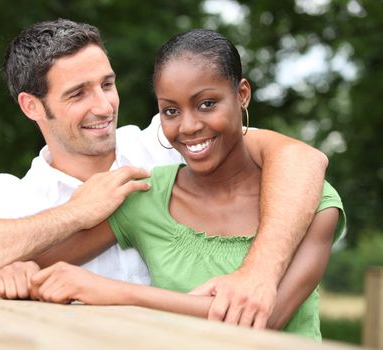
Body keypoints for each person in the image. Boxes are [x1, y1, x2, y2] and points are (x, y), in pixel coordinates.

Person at [0, 19, 331, 328]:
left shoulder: (166, 142)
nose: (103, 106)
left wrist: (257, 273)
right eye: (78, 93)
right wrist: (74, 214)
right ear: (32, 106)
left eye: (107, 84)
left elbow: (302, 161)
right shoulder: (19, 197)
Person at [20, 28, 346, 340]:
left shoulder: (308, 200)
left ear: (241, 94)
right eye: (171, 111)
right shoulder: (145, 196)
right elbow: (34, 261)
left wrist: (114, 292)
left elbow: (263, 318)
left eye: (207, 104)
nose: (188, 126)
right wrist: (12, 273)